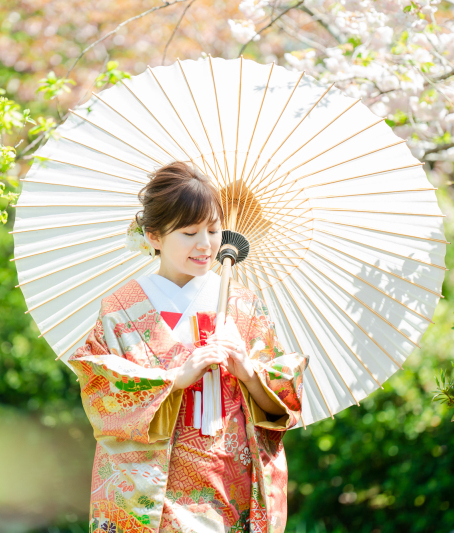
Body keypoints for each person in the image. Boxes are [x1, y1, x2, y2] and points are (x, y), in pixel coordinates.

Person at [69, 161, 308, 533]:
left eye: (213, 230)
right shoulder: (121, 308)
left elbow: (283, 403)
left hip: (231, 483)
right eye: (189, 232)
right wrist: (173, 379)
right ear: (153, 236)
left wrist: (246, 369)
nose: (206, 245)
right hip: (152, 492)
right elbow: (101, 392)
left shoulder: (242, 305)